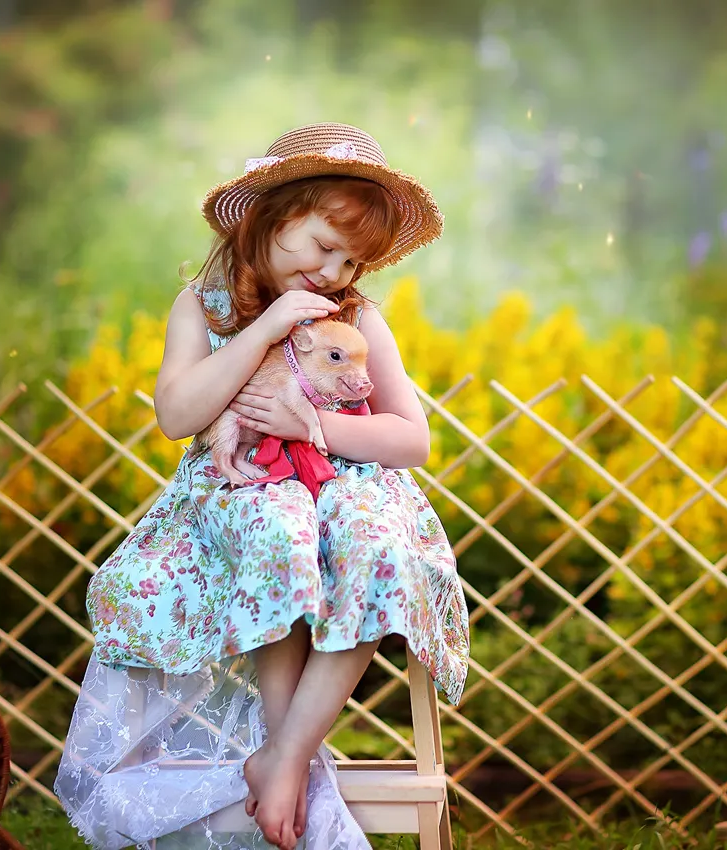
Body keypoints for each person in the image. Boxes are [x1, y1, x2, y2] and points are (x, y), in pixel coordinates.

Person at [55, 123, 470, 850]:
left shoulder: (359, 318)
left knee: (374, 545)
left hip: (348, 483)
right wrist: (268, 326)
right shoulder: (205, 309)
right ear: (274, 219)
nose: (335, 270)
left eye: (351, 259)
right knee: (278, 534)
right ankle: (287, 755)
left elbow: (413, 440)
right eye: (322, 244)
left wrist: (312, 426)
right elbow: (178, 416)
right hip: (245, 486)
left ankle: (284, 757)